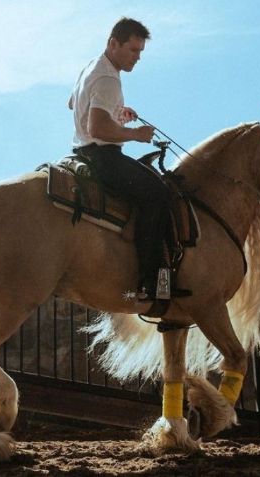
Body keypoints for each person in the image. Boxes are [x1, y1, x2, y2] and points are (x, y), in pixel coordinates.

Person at [68, 17, 170, 299]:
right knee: (158, 194)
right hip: (103, 158)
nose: (137, 58)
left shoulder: (92, 67)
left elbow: (73, 103)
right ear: (114, 43)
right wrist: (135, 134)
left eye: (140, 52)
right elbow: (97, 128)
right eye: (133, 50)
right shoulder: (108, 79)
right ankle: (149, 284)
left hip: (82, 153)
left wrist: (115, 112)